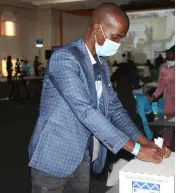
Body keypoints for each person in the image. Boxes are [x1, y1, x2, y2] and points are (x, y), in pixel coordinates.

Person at [28, 3, 170, 193]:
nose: (118, 44)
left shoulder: (101, 65)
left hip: (83, 156)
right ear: (97, 28)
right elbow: (85, 111)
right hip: (53, 156)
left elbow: (114, 109)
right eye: (115, 37)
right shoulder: (64, 58)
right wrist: (135, 149)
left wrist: (144, 141)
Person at [152, 45, 175, 147]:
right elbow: (160, 86)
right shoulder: (163, 68)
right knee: (167, 126)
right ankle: (166, 147)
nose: (169, 57)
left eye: (171, 54)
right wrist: (153, 96)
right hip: (169, 101)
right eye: (168, 54)